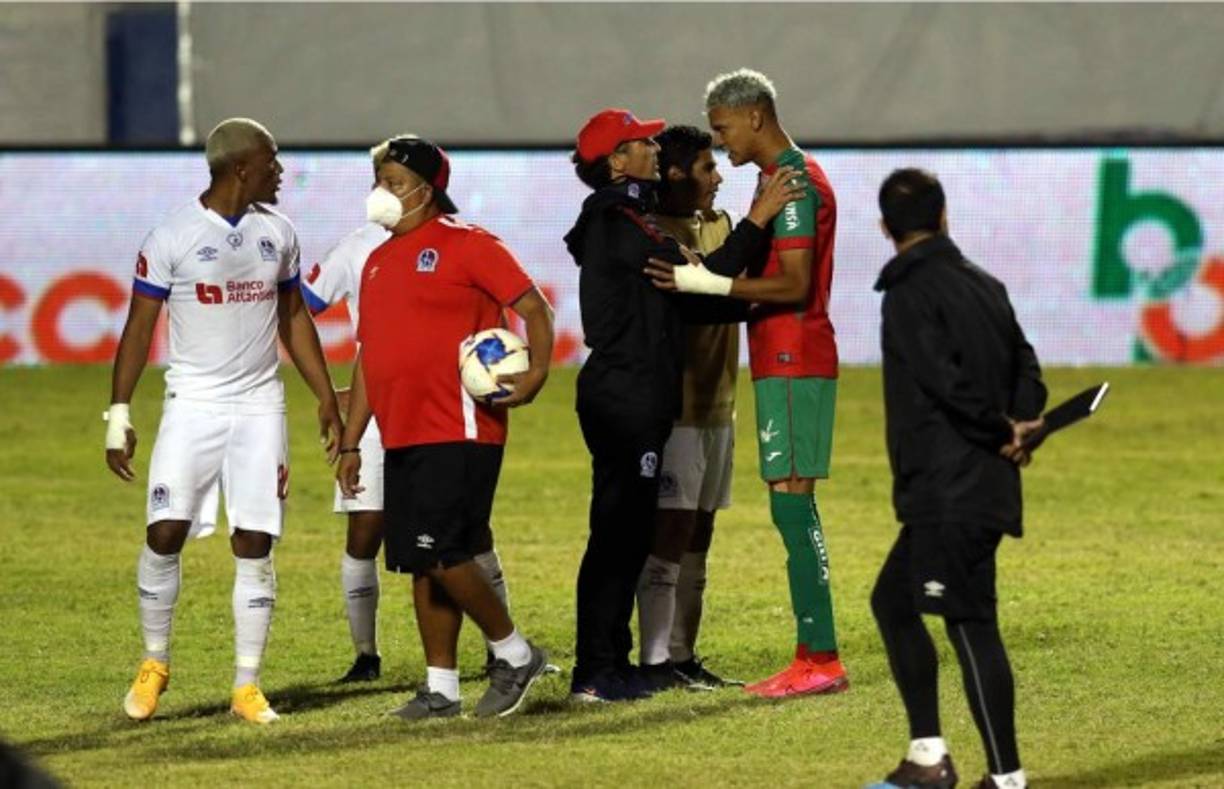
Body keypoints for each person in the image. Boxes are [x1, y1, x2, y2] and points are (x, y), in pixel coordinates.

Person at [106, 118, 343, 724]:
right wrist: (119, 412)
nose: (281, 170)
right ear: (241, 168)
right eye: (272, 160)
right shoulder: (173, 236)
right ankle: (155, 661)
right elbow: (138, 327)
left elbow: (294, 317)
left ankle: (246, 685)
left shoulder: (279, 234)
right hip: (193, 404)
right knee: (165, 532)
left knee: (255, 541)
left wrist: (324, 395)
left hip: (260, 405)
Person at [565, 108, 801, 702]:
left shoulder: (621, 219)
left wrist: (755, 303)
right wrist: (757, 221)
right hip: (628, 394)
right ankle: (596, 671)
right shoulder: (620, 219)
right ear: (617, 161)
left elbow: (694, 301)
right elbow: (701, 279)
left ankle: (609, 665)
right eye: (640, 141)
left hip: (631, 392)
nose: (652, 147)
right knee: (619, 536)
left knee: (622, 534)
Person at [335, 135, 554, 720]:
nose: (382, 192)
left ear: (426, 190)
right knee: (418, 560)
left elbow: (535, 308)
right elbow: (369, 356)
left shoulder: (469, 245)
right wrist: (354, 440)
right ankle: (442, 689)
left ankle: (515, 653)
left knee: (444, 551)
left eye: (394, 182)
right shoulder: (377, 261)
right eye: (378, 180)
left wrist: (536, 372)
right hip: (402, 432)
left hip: (459, 427)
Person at [647, 68, 848, 698]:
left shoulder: (793, 183)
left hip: (794, 357)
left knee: (793, 507)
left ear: (755, 115)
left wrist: (707, 283)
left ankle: (819, 658)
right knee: (791, 504)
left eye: (723, 129)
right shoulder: (775, 180)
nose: (722, 144)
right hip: (781, 357)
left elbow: (792, 285)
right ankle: (815, 654)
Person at [866, 169, 1046, 789]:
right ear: (944, 217)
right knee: (893, 601)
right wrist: (1022, 420)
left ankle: (1005, 778)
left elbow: (942, 381)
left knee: (970, 623)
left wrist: (1000, 429)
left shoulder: (910, 292)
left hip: (951, 486)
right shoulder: (985, 285)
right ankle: (928, 756)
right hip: (975, 483)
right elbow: (1027, 362)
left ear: (886, 227)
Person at [634, 125, 743, 690]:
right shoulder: (651, 234)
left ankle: (682, 655)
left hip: (721, 407)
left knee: (700, 536)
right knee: (669, 536)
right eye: (707, 167)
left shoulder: (719, 224)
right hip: (675, 411)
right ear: (674, 174)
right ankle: (654, 663)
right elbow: (717, 289)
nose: (718, 176)